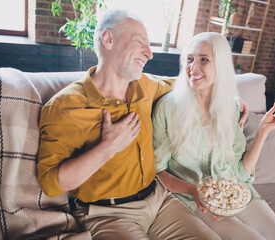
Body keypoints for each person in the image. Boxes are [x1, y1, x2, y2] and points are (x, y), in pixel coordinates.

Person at [37, 9, 227, 240]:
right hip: (107, 213)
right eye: (140, 43)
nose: (149, 53)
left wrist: (230, 99)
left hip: (159, 200)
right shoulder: (64, 107)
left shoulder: (145, 85)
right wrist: (107, 147)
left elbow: (186, 84)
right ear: (108, 39)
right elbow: (50, 184)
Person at [153, 32, 275, 240]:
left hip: (235, 191)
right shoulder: (167, 108)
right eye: (190, 59)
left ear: (221, 66)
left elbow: (240, 173)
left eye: (204, 59)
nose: (193, 67)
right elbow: (158, 171)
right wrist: (195, 191)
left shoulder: (229, 107)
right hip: (195, 200)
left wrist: (263, 131)